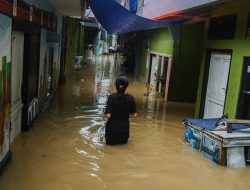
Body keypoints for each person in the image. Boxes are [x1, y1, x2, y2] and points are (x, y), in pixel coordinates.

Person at [104, 76, 137, 145]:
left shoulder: (111, 97)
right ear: (126, 86)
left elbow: (108, 115)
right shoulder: (131, 98)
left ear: (116, 85)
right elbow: (135, 115)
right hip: (124, 134)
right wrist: (124, 115)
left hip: (112, 134)